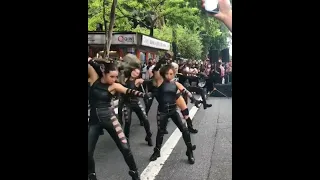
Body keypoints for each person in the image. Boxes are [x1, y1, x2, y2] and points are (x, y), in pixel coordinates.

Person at [88, 59, 149, 180]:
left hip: (110, 119)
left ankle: (134, 173)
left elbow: (129, 91)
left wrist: (144, 95)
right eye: (112, 76)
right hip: (94, 122)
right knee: (88, 152)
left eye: (116, 76)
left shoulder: (114, 85)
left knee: (125, 148)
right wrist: (97, 61)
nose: (114, 79)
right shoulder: (94, 78)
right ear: (104, 73)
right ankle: (92, 175)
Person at [149, 55, 197, 164]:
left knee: (184, 130)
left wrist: (194, 99)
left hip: (173, 110)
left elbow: (185, 91)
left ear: (174, 74)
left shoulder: (175, 83)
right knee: (160, 132)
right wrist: (161, 61)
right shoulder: (160, 81)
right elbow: (156, 70)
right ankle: (157, 151)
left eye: (171, 74)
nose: (169, 76)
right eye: (167, 73)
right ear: (163, 74)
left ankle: (190, 152)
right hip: (162, 111)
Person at [117, 55, 153, 146]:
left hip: (135, 102)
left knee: (145, 119)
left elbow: (149, 81)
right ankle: (126, 140)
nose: (135, 73)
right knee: (127, 122)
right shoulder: (123, 79)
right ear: (131, 70)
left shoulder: (138, 81)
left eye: (137, 73)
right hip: (126, 103)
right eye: (134, 72)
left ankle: (149, 136)